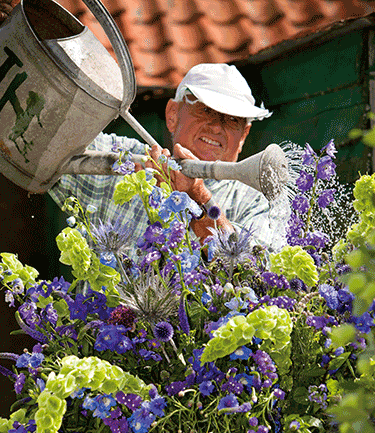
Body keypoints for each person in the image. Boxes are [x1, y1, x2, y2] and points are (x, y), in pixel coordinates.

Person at [0, 1, 286, 256]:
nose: (216, 126)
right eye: (205, 110)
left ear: (244, 136)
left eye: (232, 120)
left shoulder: (255, 203)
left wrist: (199, 198)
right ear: (172, 115)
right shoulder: (127, 161)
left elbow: (247, 271)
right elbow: (48, 134)